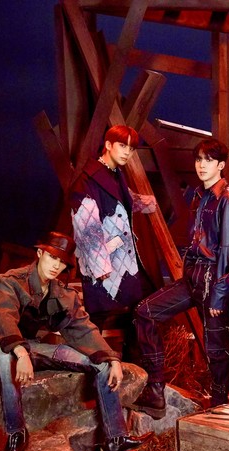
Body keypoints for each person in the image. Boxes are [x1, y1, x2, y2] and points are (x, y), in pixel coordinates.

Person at [0, 232, 152, 451]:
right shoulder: (9, 281)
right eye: (52, 257)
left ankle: (115, 438)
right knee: (5, 357)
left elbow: (83, 328)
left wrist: (111, 358)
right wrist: (20, 353)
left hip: (36, 348)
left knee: (101, 364)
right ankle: (16, 435)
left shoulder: (62, 293)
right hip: (5, 347)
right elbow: (4, 318)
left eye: (62, 261)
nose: (56, 265)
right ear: (40, 253)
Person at [133, 138, 229, 412]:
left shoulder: (228, 198)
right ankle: (156, 389)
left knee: (216, 350)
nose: (201, 165)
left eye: (209, 160)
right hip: (192, 277)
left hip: (214, 280)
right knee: (145, 312)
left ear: (221, 165)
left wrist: (220, 293)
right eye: (198, 159)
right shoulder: (199, 195)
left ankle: (220, 405)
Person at [69, 125, 157, 340]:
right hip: (105, 261)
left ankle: (132, 358)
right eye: (122, 145)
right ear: (108, 145)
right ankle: (96, 358)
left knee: (136, 311)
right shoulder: (87, 181)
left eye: (131, 148)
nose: (127, 152)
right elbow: (86, 228)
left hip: (123, 259)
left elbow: (122, 200)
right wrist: (100, 265)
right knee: (99, 318)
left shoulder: (115, 173)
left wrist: (147, 203)